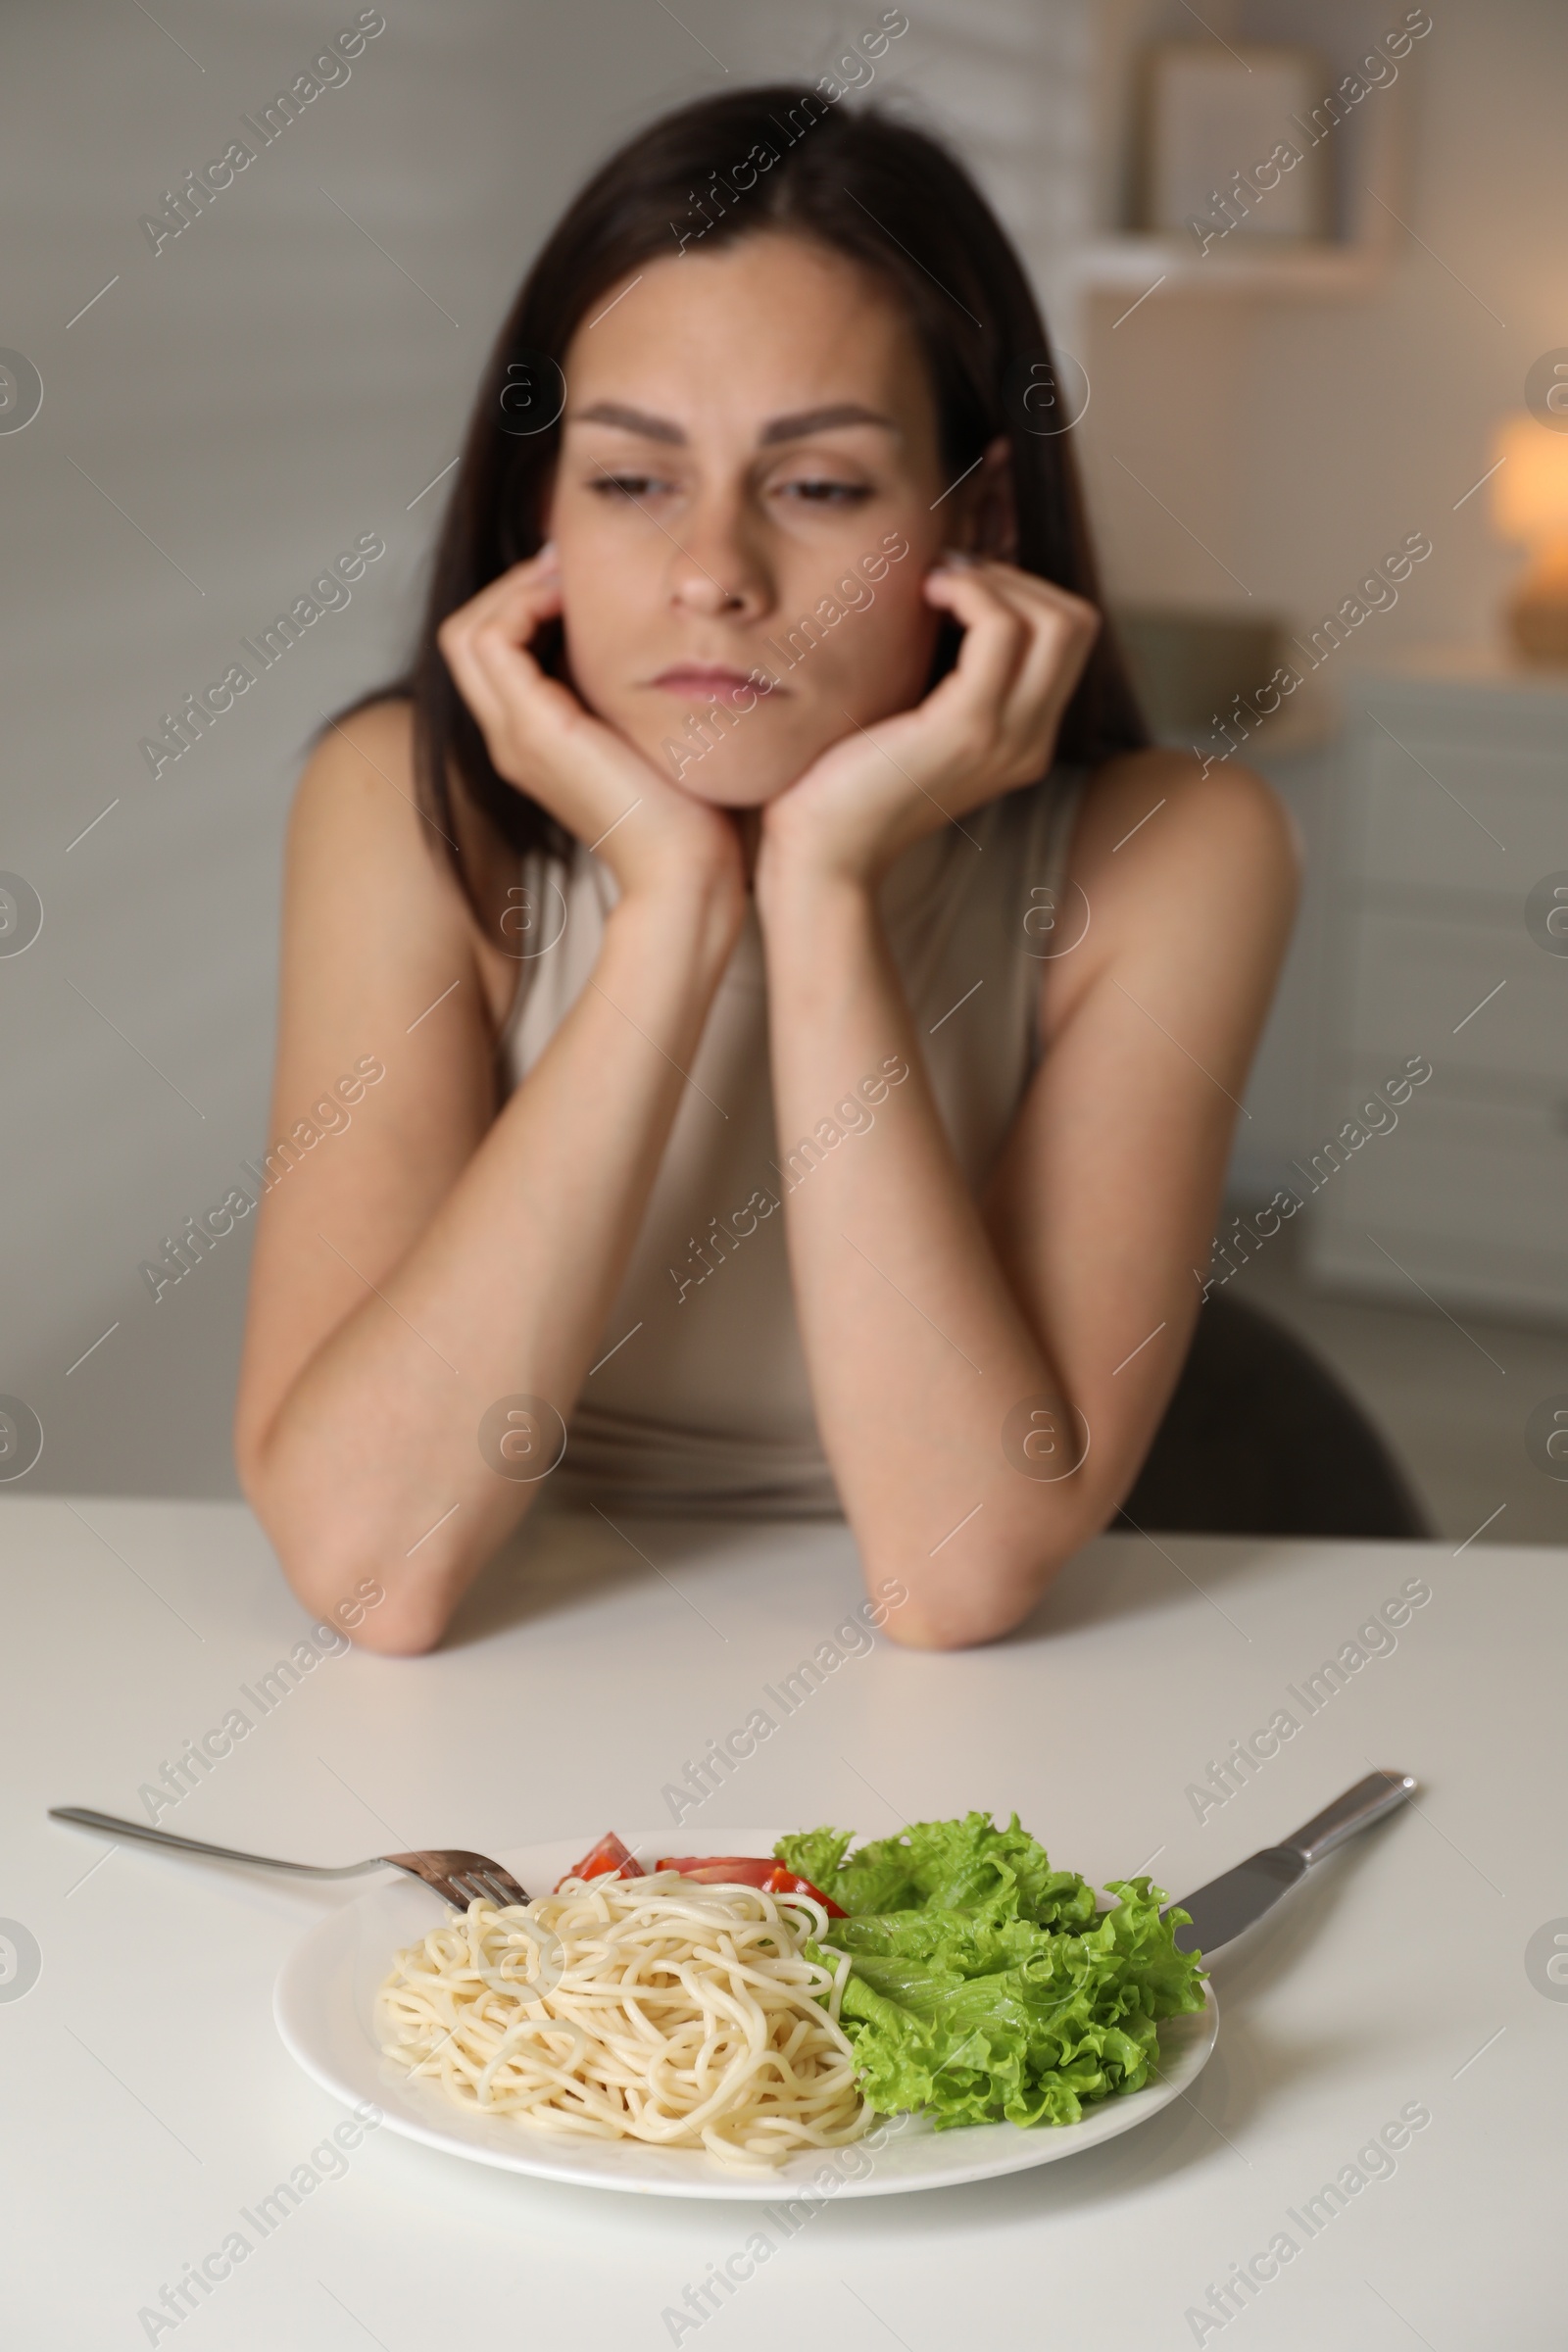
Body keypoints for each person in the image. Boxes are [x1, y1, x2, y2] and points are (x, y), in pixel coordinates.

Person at [233, 83, 1305, 1657]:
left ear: (979, 514)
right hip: (532, 1662)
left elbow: (955, 1573)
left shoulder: (1178, 850)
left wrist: (818, 890)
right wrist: (669, 905)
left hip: (977, 1724)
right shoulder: (395, 805)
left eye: (815, 488)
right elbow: (371, 1564)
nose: (713, 577)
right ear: (539, 509)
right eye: (630, 478)